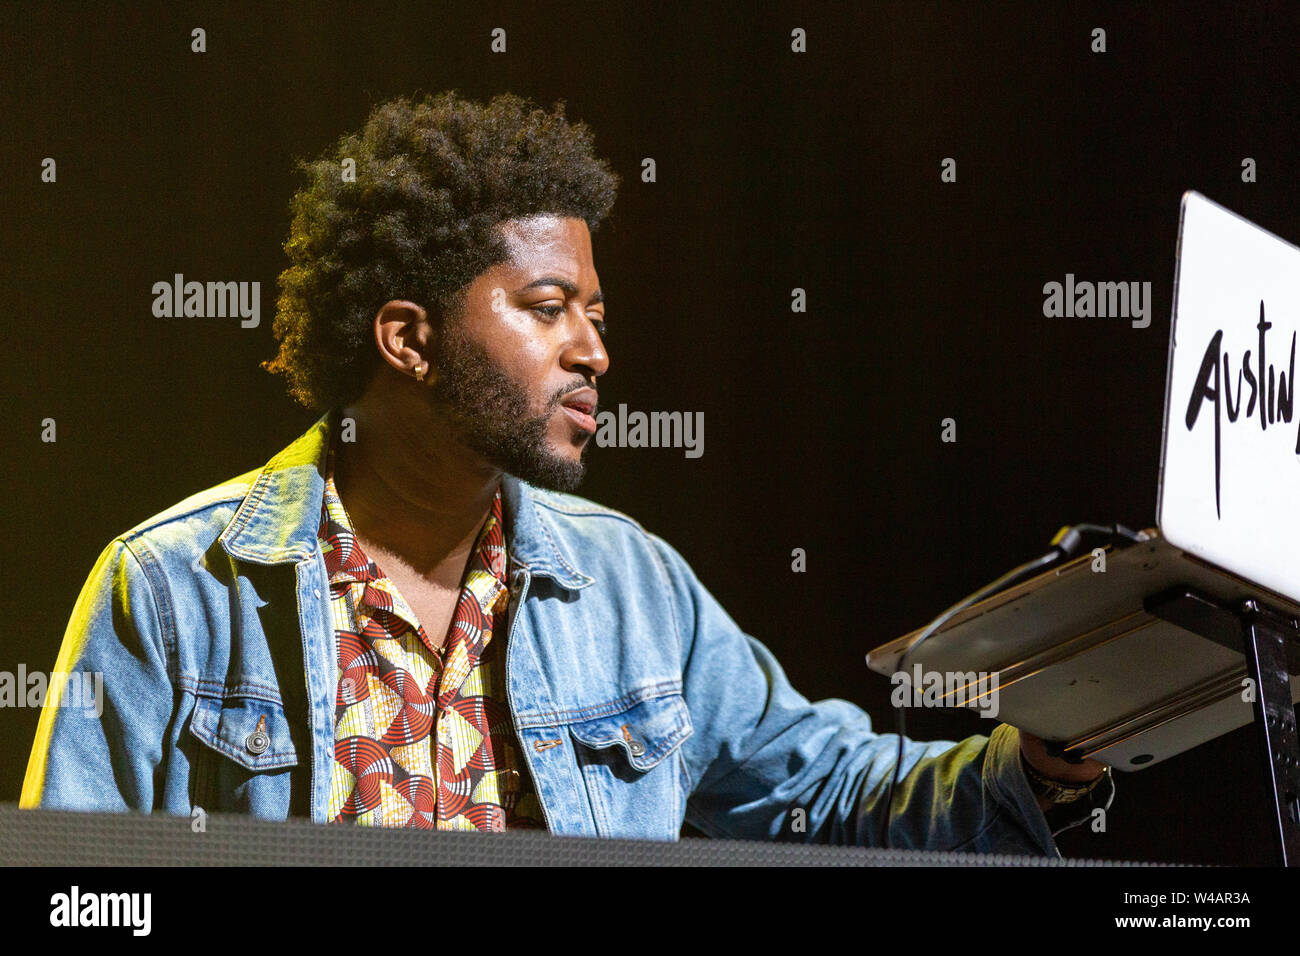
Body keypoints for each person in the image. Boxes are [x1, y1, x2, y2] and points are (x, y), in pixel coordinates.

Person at [21, 91, 1112, 851]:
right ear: (408, 338)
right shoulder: (174, 585)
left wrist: (1046, 752)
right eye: (547, 308)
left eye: (594, 312)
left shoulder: (629, 582)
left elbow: (826, 792)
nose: (593, 350)